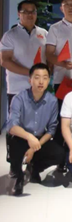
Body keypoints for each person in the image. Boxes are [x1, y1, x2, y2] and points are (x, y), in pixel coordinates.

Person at [7, 64, 65, 195]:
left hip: (39, 139)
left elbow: (51, 129)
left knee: (60, 153)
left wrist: (33, 147)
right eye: (37, 77)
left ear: (49, 80)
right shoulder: (19, 98)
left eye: (45, 78)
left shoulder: (52, 101)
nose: (41, 81)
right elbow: (12, 126)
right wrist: (29, 138)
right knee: (13, 142)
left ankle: (34, 168)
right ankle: (18, 176)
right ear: (30, 80)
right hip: (21, 136)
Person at [46, 0, 72, 154]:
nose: (70, 7)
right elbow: (49, 54)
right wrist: (61, 64)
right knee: (62, 118)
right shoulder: (54, 28)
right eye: (66, 4)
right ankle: (60, 155)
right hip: (61, 81)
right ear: (61, 8)